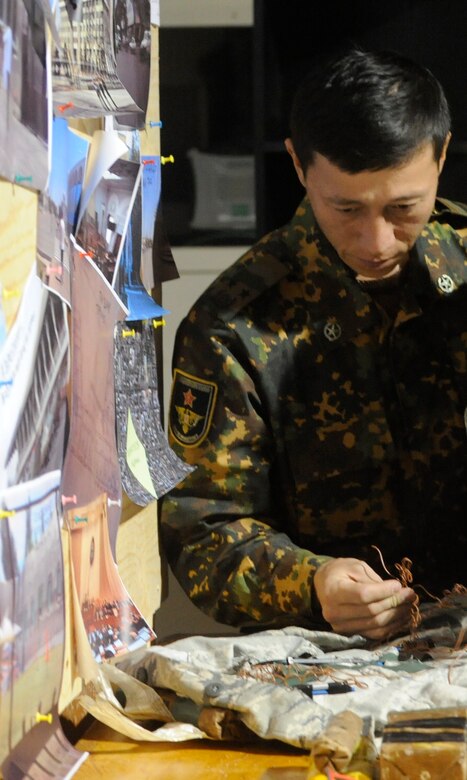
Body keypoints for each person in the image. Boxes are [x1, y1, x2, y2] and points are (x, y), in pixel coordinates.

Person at [160, 48, 467, 641]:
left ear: (443, 156)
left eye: (404, 207)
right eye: (345, 208)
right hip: (333, 658)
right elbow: (202, 532)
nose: (376, 240)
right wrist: (313, 582)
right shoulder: (234, 325)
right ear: (298, 165)